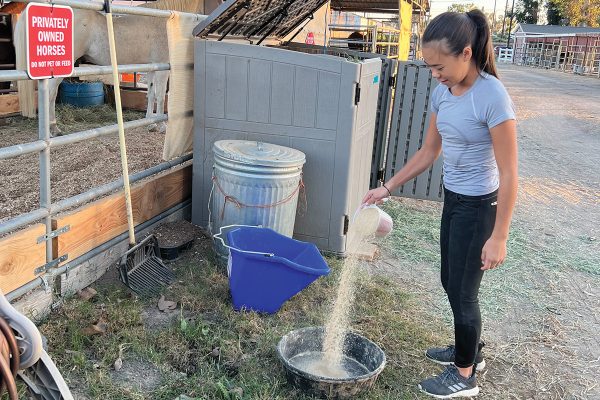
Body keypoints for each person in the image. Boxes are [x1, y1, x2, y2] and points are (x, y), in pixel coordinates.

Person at [362, 10, 518, 399]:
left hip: (481, 205)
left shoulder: (493, 96)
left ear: (466, 53)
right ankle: (471, 350)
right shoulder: (441, 93)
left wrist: (500, 235)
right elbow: (430, 151)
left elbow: (511, 174)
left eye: (439, 66)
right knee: (450, 281)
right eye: (430, 67)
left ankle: (464, 374)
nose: (435, 74)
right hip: (454, 199)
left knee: (464, 291)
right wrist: (389, 186)